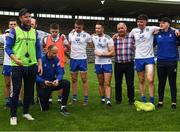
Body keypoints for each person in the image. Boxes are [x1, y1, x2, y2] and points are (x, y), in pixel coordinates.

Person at [6, 8, 42, 125]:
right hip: (17, 65)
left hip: (31, 65)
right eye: (25, 17)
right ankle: (13, 115)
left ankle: (26, 112)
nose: (28, 19)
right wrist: (15, 59)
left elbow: (38, 49)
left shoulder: (34, 32)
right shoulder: (14, 31)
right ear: (20, 18)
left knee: (29, 90)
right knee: (16, 90)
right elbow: (8, 47)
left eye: (29, 17)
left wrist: (39, 63)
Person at [131, 14, 160, 104]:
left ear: (146, 22)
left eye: (141, 22)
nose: (139, 23)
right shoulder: (134, 30)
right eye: (138, 22)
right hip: (138, 58)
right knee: (142, 80)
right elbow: (127, 36)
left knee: (150, 79)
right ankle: (143, 99)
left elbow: (164, 27)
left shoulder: (151, 28)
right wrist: (116, 35)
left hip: (149, 58)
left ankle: (151, 100)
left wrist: (176, 30)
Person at [36, 45, 70, 116]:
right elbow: (34, 76)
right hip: (43, 84)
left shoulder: (56, 59)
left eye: (56, 53)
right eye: (54, 53)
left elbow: (60, 72)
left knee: (66, 83)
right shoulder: (40, 60)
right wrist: (43, 81)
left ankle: (63, 106)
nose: (55, 55)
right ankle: (40, 97)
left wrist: (57, 80)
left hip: (52, 82)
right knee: (45, 109)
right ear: (48, 51)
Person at [154, 17, 180, 109]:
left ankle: (174, 102)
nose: (161, 24)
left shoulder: (174, 33)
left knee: (172, 83)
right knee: (161, 82)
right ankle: (160, 102)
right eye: (160, 23)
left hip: (172, 62)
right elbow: (151, 44)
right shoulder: (157, 34)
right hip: (160, 62)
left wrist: (177, 30)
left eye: (163, 23)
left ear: (168, 24)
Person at [43, 23, 69, 104]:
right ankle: (49, 98)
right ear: (50, 30)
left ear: (58, 31)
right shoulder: (46, 38)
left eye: (56, 31)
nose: (54, 33)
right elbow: (42, 47)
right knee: (50, 80)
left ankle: (59, 98)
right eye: (53, 31)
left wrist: (62, 51)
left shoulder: (62, 38)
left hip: (60, 63)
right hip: (49, 64)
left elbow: (68, 47)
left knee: (59, 80)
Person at [68, 20, 92, 105]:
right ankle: (74, 99)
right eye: (76, 27)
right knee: (74, 80)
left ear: (82, 26)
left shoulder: (87, 35)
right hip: (73, 59)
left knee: (84, 79)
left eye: (79, 27)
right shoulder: (71, 34)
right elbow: (69, 46)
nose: (77, 29)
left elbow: (92, 45)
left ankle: (86, 99)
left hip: (82, 59)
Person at [92, 21, 115, 106]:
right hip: (97, 63)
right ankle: (102, 98)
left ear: (102, 28)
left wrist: (101, 54)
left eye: (99, 28)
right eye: (96, 28)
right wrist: (73, 32)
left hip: (107, 63)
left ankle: (108, 100)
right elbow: (86, 39)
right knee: (100, 82)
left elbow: (113, 53)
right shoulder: (93, 37)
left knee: (107, 82)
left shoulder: (108, 39)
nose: (97, 30)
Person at [112, 22, 135, 105]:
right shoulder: (115, 38)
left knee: (130, 83)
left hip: (129, 63)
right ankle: (118, 100)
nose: (120, 30)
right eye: (118, 29)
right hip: (118, 64)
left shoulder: (132, 36)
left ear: (126, 28)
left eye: (122, 28)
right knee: (118, 83)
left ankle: (131, 100)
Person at [31, 18, 49, 104]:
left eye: (32, 24)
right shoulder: (23, 33)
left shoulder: (41, 33)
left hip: (39, 61)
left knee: (39, 81)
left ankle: (39, 98)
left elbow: (52, 34)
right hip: (28, 61)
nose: (30, 25)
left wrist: (63, 35)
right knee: (29, 81)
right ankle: (30, 99)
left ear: (36, 25)